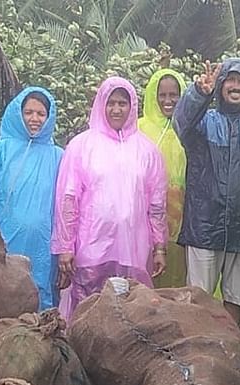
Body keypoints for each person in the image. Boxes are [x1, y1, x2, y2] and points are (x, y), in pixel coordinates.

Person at [174, 58, 240, 324]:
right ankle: (195, 355)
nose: (236, 86)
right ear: (220, 85)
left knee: (237, 302)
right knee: (197, 301)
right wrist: (199, 93)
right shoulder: (202, 124)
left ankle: (231, 358)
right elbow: (180, 122)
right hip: (204, 227)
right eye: (230, 80)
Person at [53, 77, 168, 318]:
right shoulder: (81, 146)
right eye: (111, 103)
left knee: (130, 316)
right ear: (101, 105)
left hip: (133, 251)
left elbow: (157, 204)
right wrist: (66, 246)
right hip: (91, 250)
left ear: (132, 106)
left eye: (122, 103)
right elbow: (68, 199)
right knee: (87, 314)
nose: (116, 109)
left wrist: (159, 247)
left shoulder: (147, 151)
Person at [0, 87, 62, 309]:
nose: (34, 119)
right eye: (29, 112)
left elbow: (66, 205)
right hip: (2, 245)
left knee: (39, 300)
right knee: (0, 299)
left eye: (41, 114)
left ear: (49, 118)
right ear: (17, 114)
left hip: (43, 250)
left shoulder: (59, 157)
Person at [138, 70, 189, 289]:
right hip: (144, 213)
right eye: (162, 95)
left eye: (174, 95)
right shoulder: (138, 128)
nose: (168, 101)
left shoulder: (189, 128)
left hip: (183, 217)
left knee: (177, 275)